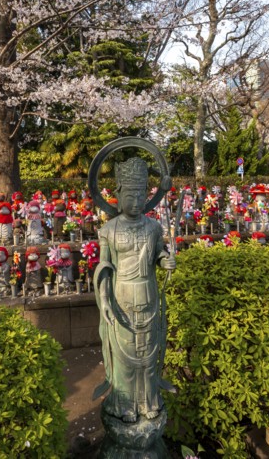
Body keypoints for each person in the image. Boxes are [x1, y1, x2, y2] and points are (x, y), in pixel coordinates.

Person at [94, 157, 176, 423]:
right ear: (118, 194)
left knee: (148, 355)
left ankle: (147, 400)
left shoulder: (154, 227)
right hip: (121, 298)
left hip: (148, 295)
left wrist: (166, 260)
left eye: (141, 195)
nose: (137, 201)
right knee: (125, 357)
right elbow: (105, 266)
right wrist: (104, 299)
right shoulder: (108, 229)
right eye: (131, 195)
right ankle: (125, 403)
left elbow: (158, 254)